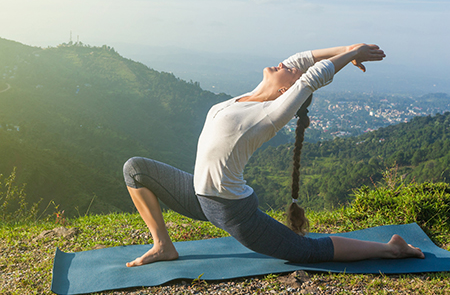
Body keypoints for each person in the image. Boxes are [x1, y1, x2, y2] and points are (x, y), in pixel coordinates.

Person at [123, 43, 425, 267]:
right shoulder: (249, 97)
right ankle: (163, 245)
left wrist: (352, 53)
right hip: (200, 197)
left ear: (287, 93)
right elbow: (303, 60)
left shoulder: (269, 114)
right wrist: (347, 47)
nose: (284, 64)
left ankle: (391, 249)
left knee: (308, 251)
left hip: (232, 210)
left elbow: (312, 76)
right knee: (135, 169)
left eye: (288, 71)